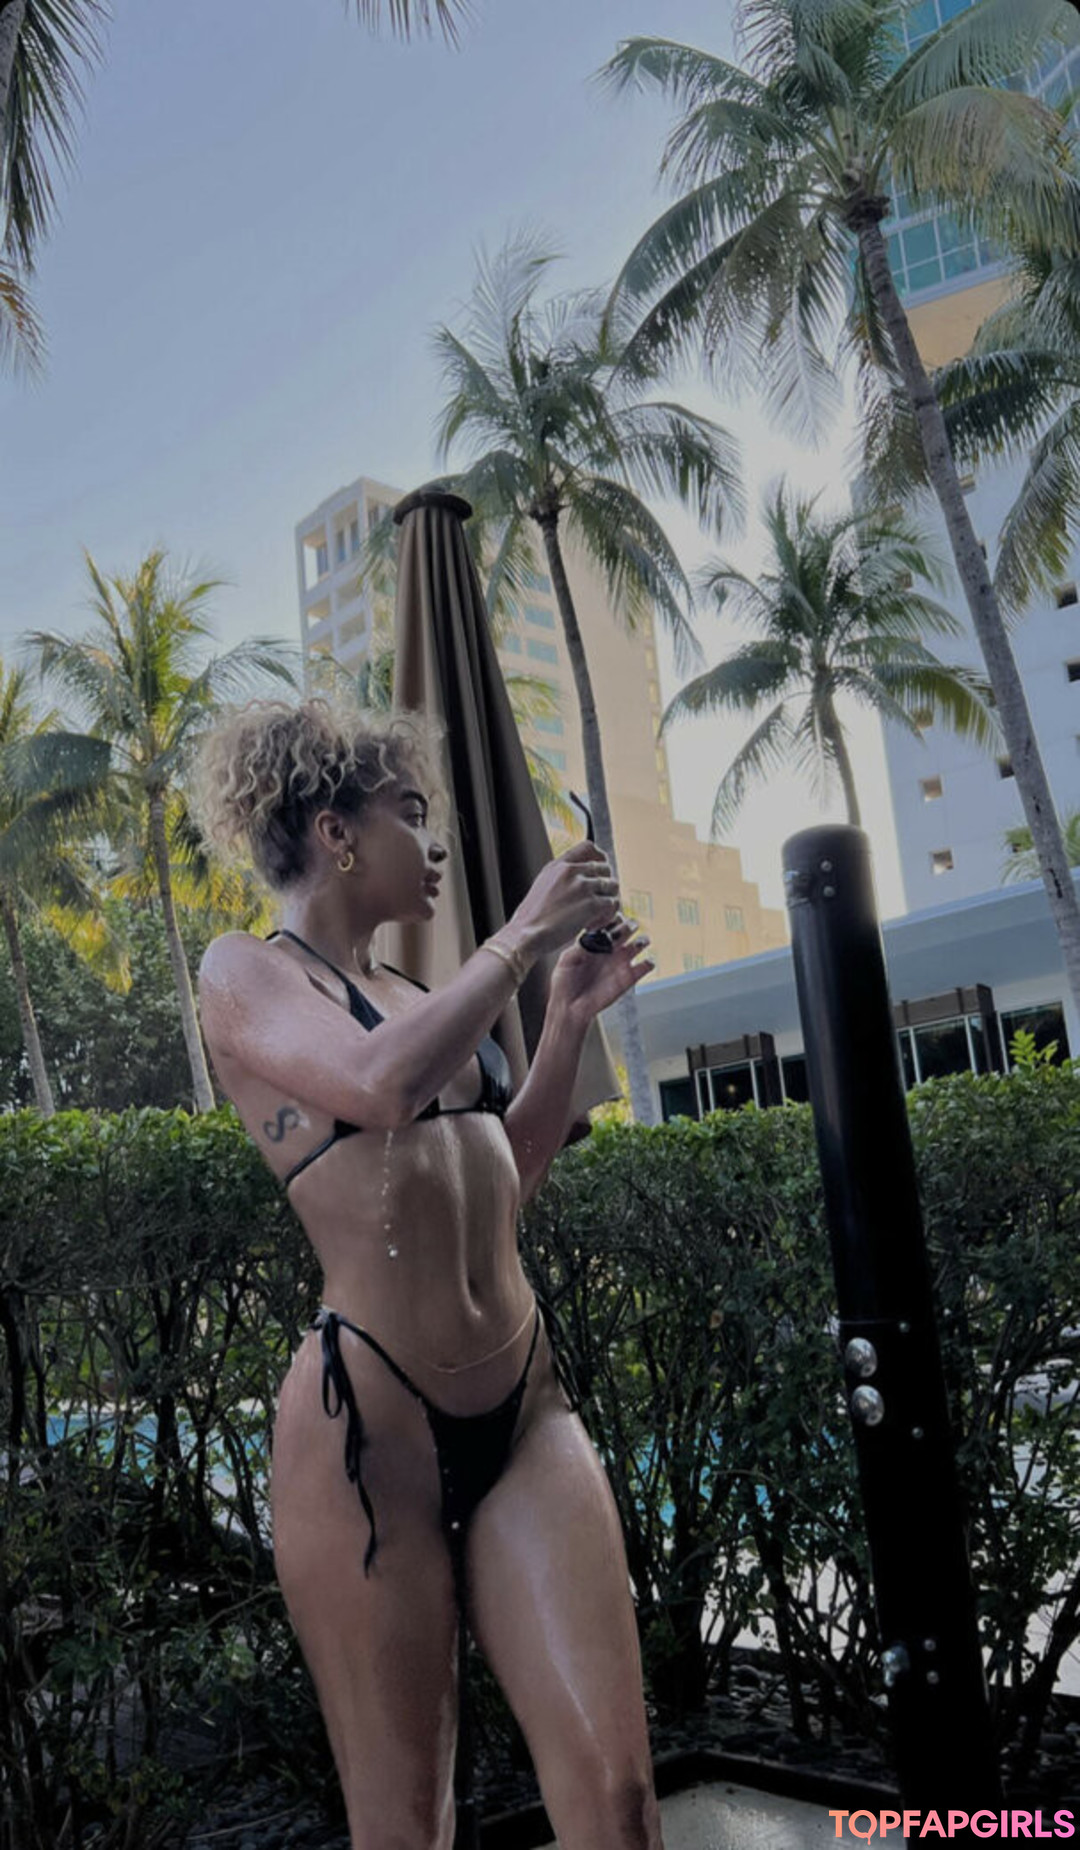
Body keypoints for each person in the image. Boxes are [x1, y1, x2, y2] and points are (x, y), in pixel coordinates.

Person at [194, 699, 665, 1850]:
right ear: (335, 831)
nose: (436, 841)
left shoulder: (421, 995)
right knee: (408, 1825)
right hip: (370, 1429)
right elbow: (377, 1086)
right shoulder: (244, 973)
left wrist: (563, 1020)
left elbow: (504, 1173)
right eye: (412, 812)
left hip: (525, 1406)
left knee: (618, 1797)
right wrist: (524, 933)